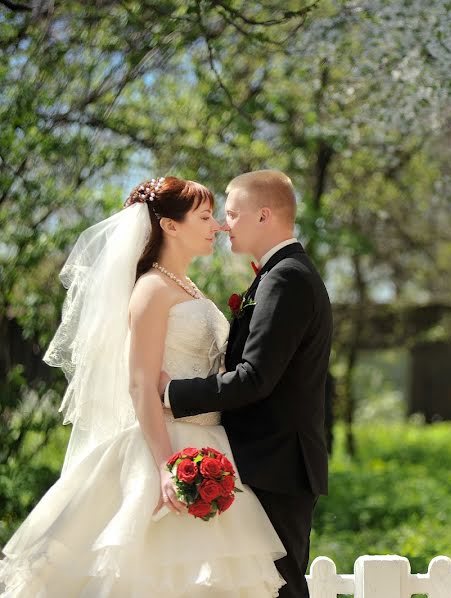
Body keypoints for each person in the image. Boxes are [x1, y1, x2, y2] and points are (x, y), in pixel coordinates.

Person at [0, 176, 286, 597]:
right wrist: (164, 467)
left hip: (211, 441)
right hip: (167, 443)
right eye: (206, 217)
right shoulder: (151, 288)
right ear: (170, 225)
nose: (218, 227)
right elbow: (139, 385)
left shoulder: (186, 287)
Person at [161, 170, 332, 598]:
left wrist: (170, 393)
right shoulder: (277, 275)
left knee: (279, 589)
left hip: (276, 464)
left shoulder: (286, 277)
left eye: (233, 214)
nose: (223, 224)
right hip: (266, 461)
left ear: (264, 215)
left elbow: (255, 378)